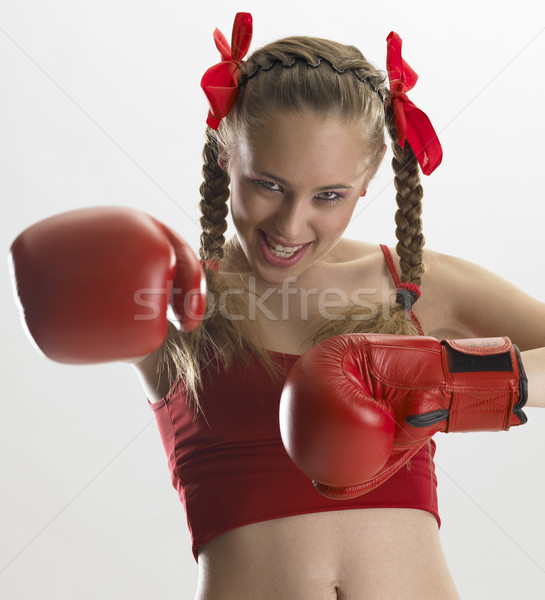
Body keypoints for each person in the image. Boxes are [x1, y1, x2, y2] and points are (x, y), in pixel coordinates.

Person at [9, 12, 545, 600]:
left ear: (365, 186)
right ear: (224, 159)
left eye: (329, 196)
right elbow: (47, 287)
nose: (292, 224)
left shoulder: (415, 283)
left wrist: (450, 381)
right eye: (269, 184)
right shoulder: (174, 297)